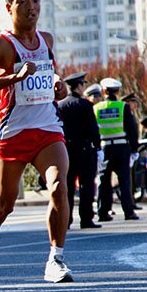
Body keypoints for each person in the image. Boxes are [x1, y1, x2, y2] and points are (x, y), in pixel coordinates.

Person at [0, 0, 73, 283]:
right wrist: (13, 79)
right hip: (13, 133)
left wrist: (59, 86)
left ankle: (56, 260)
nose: (31, 7)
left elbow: (52, 78)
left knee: (59, 187)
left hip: (47, 129)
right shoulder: (1, 44)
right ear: (9, 7)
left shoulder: (47, 40)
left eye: (36, 0)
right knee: (5, 204)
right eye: (23, 1)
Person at [57, 71, 101, 229]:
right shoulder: (85, 105)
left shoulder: (60, 106)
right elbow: (93, 129)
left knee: (67, 186)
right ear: (79, 86)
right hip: (85, 151)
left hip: (66, 151)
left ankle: (66, 220)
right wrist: (98, 146)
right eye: (83, 84)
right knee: (86, 185)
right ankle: (86, 218)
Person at [93, 77, 139, 222]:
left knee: (104, 181)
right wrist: (134, 149)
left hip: (105, 148)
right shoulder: (123, 107)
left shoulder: (96, 108)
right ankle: (129, 212)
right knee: (124, 181)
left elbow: (93, 130)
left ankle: (103, 212)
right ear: (117, 91)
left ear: (104, 91)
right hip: (122, 148)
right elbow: (132, 129)